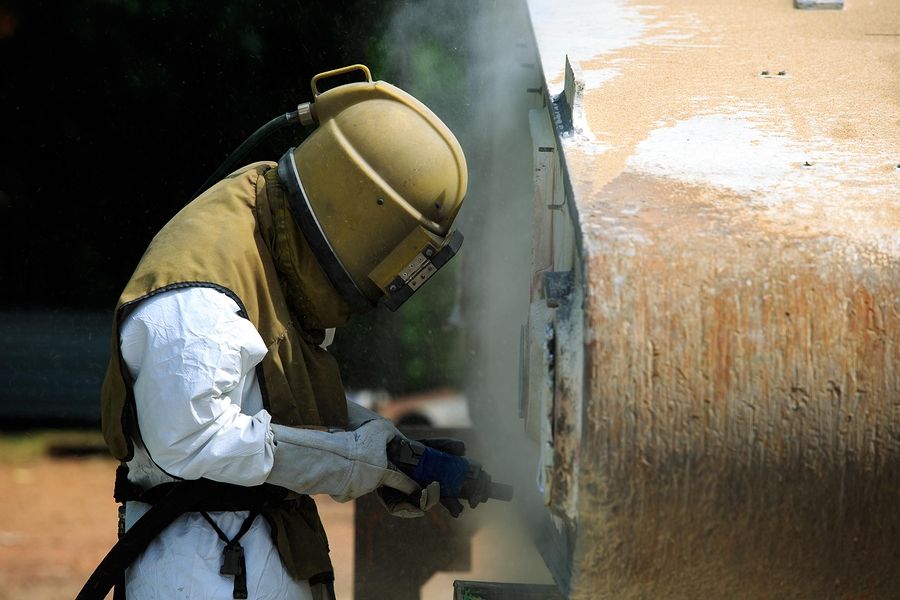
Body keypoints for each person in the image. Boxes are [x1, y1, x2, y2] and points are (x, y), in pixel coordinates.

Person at [96, 64, 468, 600]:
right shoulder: (199, 298)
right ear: (360, 217)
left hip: (248, 555)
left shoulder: (273, 241)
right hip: (201, 571)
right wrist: (359, 461)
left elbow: (280, 399)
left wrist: (396, 457)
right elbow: (197, 440)